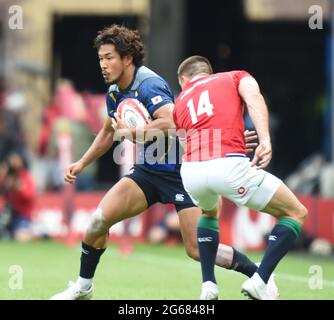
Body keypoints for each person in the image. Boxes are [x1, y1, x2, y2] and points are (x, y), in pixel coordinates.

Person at [50, 25, 278, 300]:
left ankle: (258, 274)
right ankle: (83, 287)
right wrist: (82, 162)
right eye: (100, 58)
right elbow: (110, 130)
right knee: (99, 220)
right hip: (148, 170)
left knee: (196, 249)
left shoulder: (149, 84)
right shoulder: (114, 91)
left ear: (127, 58)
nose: (103, 64)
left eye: (109, 57)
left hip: (182, 170)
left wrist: (133, 133)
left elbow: (171, 122)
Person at [173, 55, 308, 300]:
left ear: (184, 80)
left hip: (191, 172)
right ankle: (260, 278)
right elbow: (254, 98)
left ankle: (209, 286)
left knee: (209, 212)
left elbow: (189, 145)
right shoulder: (235, 76)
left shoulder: (180, 101)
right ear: (208, 72)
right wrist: (265, 139)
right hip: (228, 167)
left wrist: (228, 141)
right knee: (295, 212)